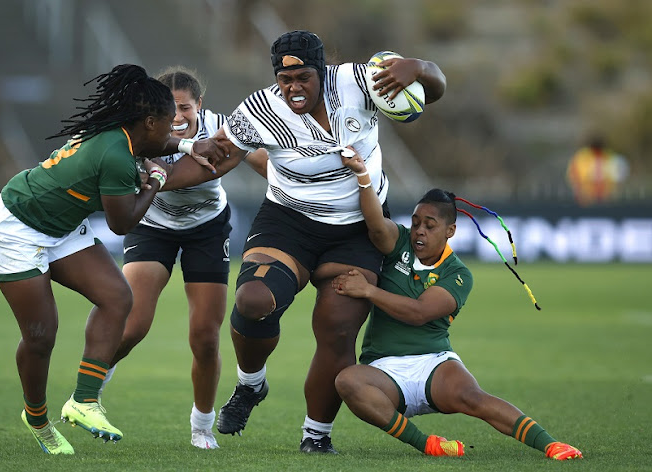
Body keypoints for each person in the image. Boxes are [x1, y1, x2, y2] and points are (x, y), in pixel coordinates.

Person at [189, 30, 447, 453]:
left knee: (338, 331)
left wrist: (418, 67)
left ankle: (316, 434)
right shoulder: (260, 108)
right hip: (288, 221)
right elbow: (213, 158)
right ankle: (251, 384)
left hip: (356, 228)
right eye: (284, 79)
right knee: (253, 301)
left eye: (303, 77)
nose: (293, 87)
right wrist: (155, 181)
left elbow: (434, 87)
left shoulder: (359, 81)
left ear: (322, 72)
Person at [0, 64, 220, 455]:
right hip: (14, 228)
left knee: (118, 297)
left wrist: (189, 147)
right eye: (167, 122)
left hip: (59, 226)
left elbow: (155, 146)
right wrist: (156, 181)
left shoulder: (122, 135)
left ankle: (84, 401)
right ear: (149, 121)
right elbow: (123, 223)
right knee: (41, 336)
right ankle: (37, 417)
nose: (174, 128)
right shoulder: (117, 156)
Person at [331, 148, 583, 461]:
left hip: (433, 363)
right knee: (347, 382)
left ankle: (551, 445)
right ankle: (429, 445)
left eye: (430, 225)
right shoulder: (400, 243)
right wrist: (362, 175)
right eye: (416, 221)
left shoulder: (458, 274)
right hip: (383, 368)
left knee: (474, 398)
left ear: (450, 231)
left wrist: (369, 291)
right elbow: (376, 224)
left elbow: (419, 313)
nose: (420, 230)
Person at [98, 67, 267, 450]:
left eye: (185, 108)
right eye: (169, 108)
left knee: (205, 338)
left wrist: (292, 179)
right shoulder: (143, 131)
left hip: (207, 229)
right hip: (153, 225)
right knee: (132, 325)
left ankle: (202, 427)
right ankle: (92, 385)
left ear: (200, 106)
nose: (177, 116)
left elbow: (257, 157)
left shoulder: (221, 128)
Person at [566, 135, 629, 206]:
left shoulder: (610, 157)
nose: (596, 151)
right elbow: (574, 176)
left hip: (605, 198)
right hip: (587, 198)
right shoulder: (582, 157)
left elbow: (619, 178)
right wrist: (579, 193)